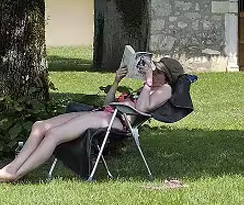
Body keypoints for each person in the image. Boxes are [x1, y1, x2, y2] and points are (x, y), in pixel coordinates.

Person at [0, 57, 184, 183]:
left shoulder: (164, 89)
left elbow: (142, 109)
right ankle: (11, 168)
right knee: (40, 126)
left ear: (167, 77)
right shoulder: (148, 87)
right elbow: (107, 103)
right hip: (104, 113)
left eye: (157, 71)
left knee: (54, 134)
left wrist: (148, 83)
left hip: (117, 121)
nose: (153, 73)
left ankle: (16, 174)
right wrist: (116, 82)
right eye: (153, 70)